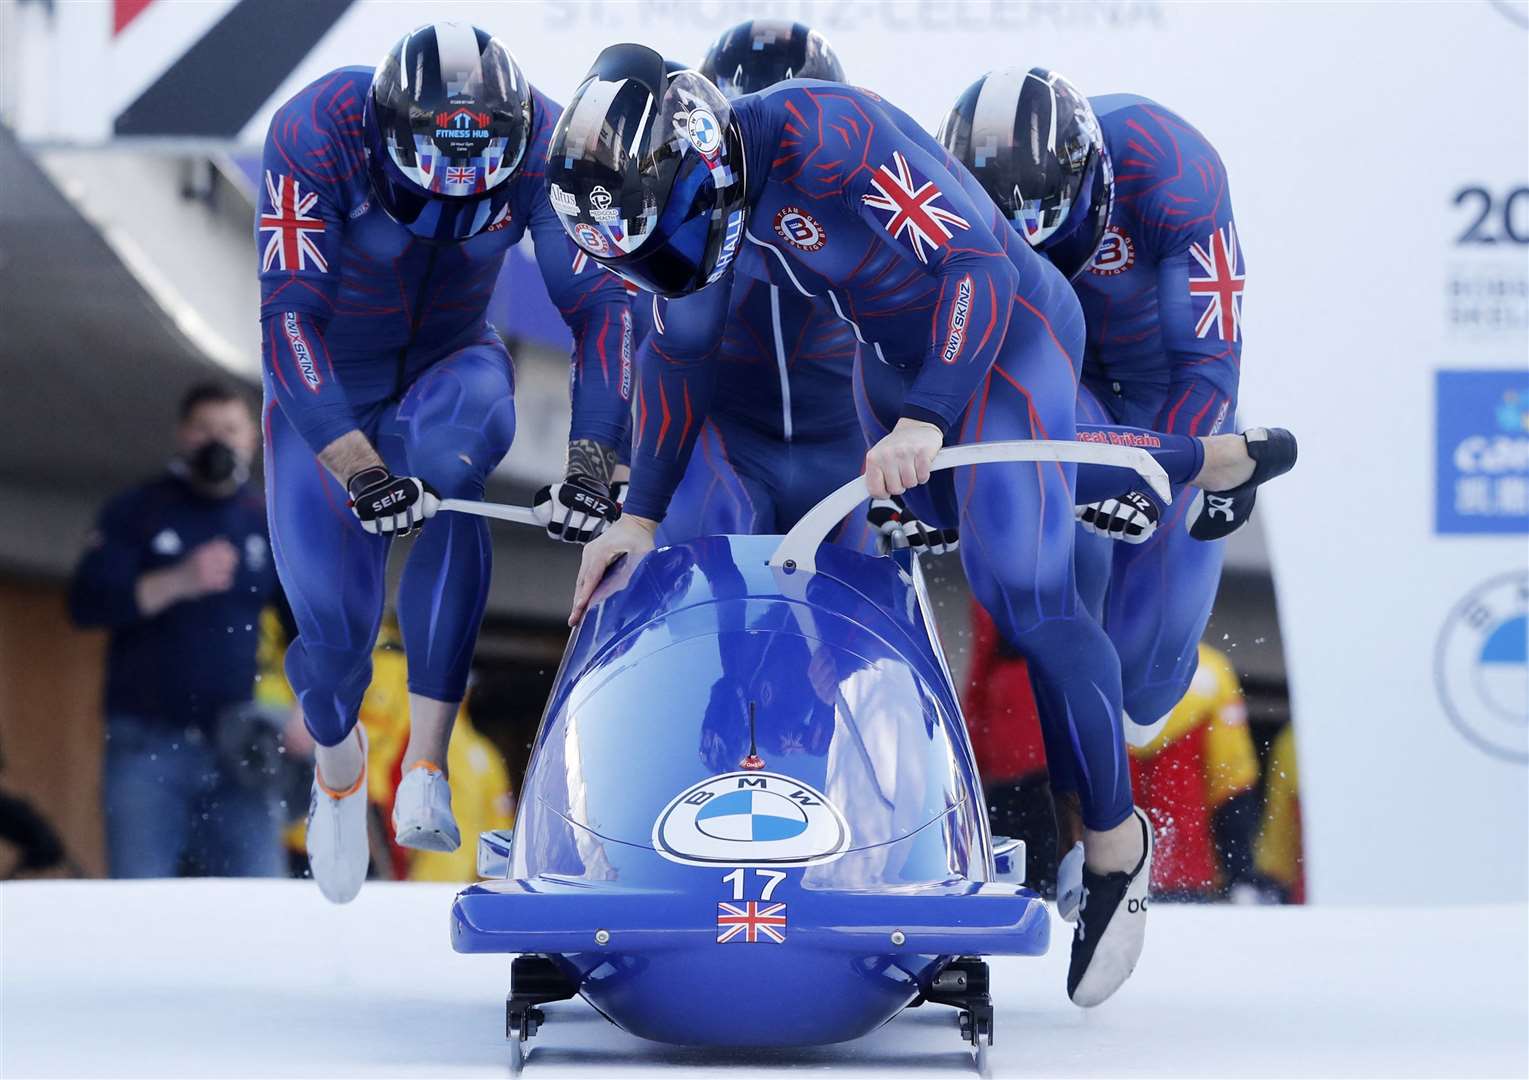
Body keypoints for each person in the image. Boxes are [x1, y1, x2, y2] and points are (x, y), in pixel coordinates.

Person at [547, 48, 1294, 1005]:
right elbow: (678, 355)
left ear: (704, 162)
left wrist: (928, 417)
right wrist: (636, 515)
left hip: (1004, 334)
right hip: (894, 361)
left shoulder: (829, 136)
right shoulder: (704, 213)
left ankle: (1113, 846)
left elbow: (974, 266)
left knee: (1022, 594)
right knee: (915, 543)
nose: (671, 266)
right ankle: (1197, 457)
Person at [257, 22, 631, 903]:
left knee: (450, 462)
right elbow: (288, 320)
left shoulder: (544, 137)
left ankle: (426, 761)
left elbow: (603, 312)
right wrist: (354, 466)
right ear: (387, 136)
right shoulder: (316, 128)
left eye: (479, 171)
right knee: (338, 646)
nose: (457, 187)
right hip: (328, 394)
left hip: (451, 365)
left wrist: (591, 467)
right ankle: (341, 767)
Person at [939, 66, 1295, 925]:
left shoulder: (1173, 172)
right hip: (1064, 396)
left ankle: (1212, 490)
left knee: (1145, 687)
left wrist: (1168, 468)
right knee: (1066, 603)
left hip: (1173, 404)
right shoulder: (944, 195)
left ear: (1093, 182)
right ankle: (1089, 834)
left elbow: (1208, 363)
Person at [69, 382, 285, 878]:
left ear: (251, 440)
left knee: (261, 902)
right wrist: (179, 580)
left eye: (229, 430)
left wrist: (306, 717)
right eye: (204, 429)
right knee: (140, 895)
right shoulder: (138, 510)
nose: (217, 441)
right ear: (182, 436)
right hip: (146, 745)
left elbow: (304, 628)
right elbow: (86, 604)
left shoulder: (265, 521)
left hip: (240, 746)